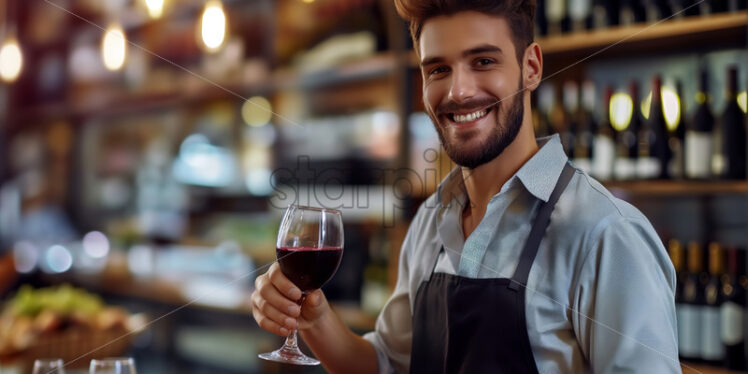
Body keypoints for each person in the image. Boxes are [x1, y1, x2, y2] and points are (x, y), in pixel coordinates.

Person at [251, 0, 679, 372]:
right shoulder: (431, 221)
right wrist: (315, 318)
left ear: (530, 68)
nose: (458, 91)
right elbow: (388, 366)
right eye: (438, 69)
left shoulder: (607, 233)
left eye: (483, 61)